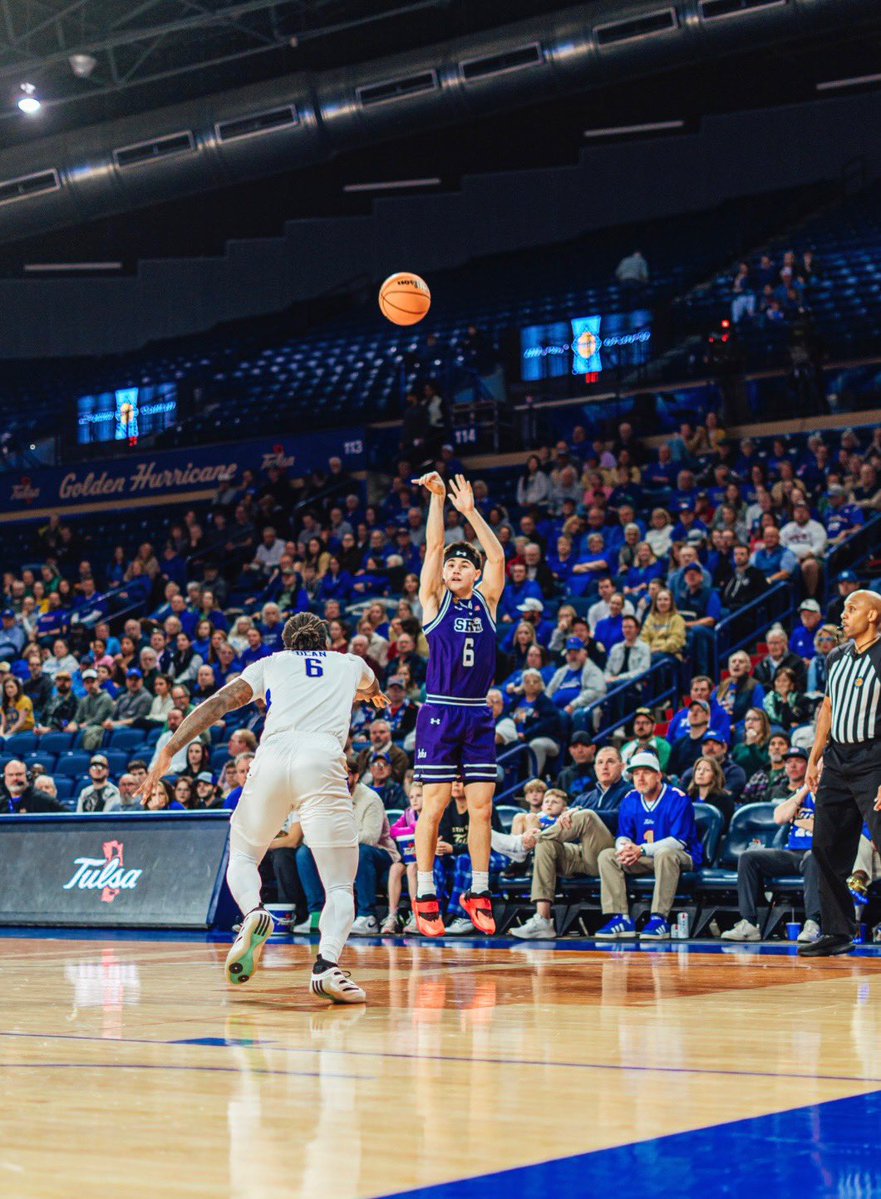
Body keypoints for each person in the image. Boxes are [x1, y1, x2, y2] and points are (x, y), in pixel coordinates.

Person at [136, 611, 389, 1003]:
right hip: (322, 761)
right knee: (339, 884)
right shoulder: (350, 663)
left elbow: (219, 703)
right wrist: (367, 693)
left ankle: (254, 912)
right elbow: (374, 685)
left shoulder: (271, 664)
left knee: (243, 855)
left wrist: (169, 749)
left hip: (271, 758)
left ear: (287, 644)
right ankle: (326, 967)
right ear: (327, 643)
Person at [410, 471, 505, 938]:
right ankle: (425, 893)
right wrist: (438, 502)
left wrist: (469, 513)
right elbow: (432, 550)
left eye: (463, 565)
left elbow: (498, 555)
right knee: (434, 805)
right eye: (450, 565)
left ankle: (478, 890)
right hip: (440, 710)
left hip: (476, 711)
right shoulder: (434, 603)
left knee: (483, 809)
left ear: (474, 574)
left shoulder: (488, 601)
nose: (454, 569)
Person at [801, 590, 881, 956]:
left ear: (874, 615)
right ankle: (838, 931)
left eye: (853, 609)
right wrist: (814, 758)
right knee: (826, 846)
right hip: (836, 759)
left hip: (874, 760)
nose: (844, 615)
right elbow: (828, 709)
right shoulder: (836, 657)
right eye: (844, 609)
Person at [595, 752, 703, 941]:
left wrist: (641, 849)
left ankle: (659, 919)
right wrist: (624, 849)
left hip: (682, 857)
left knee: (665, 853)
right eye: (636, 774)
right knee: (607, 855)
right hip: (645, 857)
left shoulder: (678, 798)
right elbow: (623, 835)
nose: (641, 778)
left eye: (646, 772)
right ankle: (621, 918)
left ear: (659, 775)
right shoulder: (630, 798)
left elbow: (679, 842)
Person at [721, 775, 821, 944]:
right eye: (815, 771)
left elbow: (829, 829)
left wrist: (801, 822)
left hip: (819, 854)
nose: (817, 776)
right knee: (748, 857)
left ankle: (813, 923)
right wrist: (804, 790)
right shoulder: (802, 795)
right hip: (793, 853)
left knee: (813, 857)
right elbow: (779, 817)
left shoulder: (835, 795)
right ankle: (749, 924)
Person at [509, 805, 616, 940]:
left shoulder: (626, 792)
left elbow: (617, 817)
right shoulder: (586, 795)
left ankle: (523, 845)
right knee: (544, 844)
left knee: (587, 815)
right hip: (575, 850)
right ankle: (543, 919)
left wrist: (578, 810)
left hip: (603, 854)